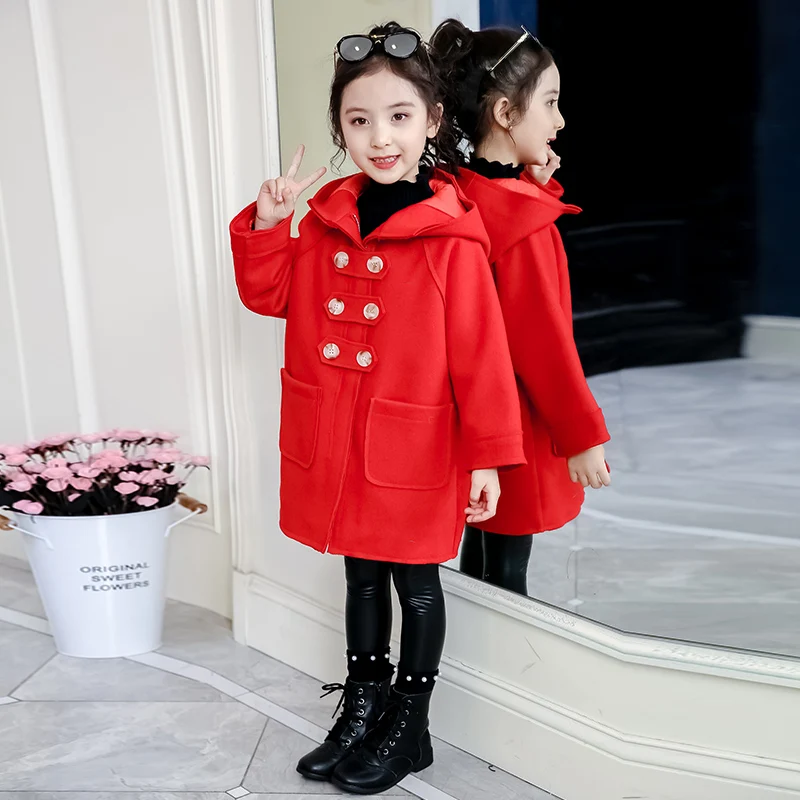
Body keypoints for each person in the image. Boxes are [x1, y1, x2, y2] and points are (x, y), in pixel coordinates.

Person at [229, 22, 525, 795]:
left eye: (399, 116)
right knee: (361, 576)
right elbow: (271, 296)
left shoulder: (452, 238)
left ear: (432, 120)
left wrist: (489, 456)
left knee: (416, 584)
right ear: (340, 128)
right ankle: (362, 707)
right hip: (336, 434)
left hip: (411, 442)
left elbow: (482, 356)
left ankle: (410, 723)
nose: (379, 138)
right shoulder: (327, 215)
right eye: (359, 120)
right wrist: (270, 223)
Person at [430, 20, 611, 597]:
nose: (560, 121)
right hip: (518, 421)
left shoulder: (452, 193)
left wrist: (535, 189)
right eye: (550, 102)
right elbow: (544, 345)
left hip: (466, 415)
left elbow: (500, 206)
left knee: (480, 541)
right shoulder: (526, 231)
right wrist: (580, 434)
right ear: (506, 113)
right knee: (508, 569)